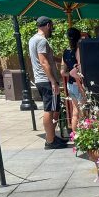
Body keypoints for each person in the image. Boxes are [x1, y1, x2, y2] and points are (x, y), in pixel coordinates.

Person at [29, 16, 67, 149]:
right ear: (48, 25)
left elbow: (48, 58)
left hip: (41, 80)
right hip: (46, 80)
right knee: (49, 109)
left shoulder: (33, 39)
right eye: (52, 26)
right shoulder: (41, 40)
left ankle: (51, 137)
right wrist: (53, 82)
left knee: (54, 108)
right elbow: (44, 62)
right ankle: (50, 141)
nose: (52, 29)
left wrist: (62, 60)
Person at [59, 27, 86, 135]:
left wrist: (69, 74)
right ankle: (83, 135)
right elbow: (79, 70)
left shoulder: (66, 52)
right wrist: (79, 84)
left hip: (70, 85)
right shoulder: (79, 50)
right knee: (83, 112)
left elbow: (62, 72)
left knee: (75, 112)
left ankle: (75, 137)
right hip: (78, 84)